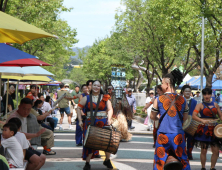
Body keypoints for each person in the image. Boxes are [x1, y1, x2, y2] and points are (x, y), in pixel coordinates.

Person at [151, 69, 190, 170]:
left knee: (159, 161)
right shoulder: (183, 100)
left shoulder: (158, 99)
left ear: (167, 84)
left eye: (162, 83)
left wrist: (158, 118)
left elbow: (152, 116)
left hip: (163, 135)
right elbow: (185, 118)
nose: (161, 85)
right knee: (183, 160)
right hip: (178, 134)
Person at [77, 80, 113, 170]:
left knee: (106, 142)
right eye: (94, 85)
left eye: (98, 85)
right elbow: (78, 108)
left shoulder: (105, 98)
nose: (96, 87)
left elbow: (110, 109)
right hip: (90, 123)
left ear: (100, 87)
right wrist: (80, 120)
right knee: (90, 143)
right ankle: (87, 163)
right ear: (91, 86)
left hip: (103, 122)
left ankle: (107, 160)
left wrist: (109, 119)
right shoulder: (86, 98)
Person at [192, 88, 222, 170]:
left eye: (208, 94)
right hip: (204, 129)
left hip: (215, 130)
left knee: (216, 151)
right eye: (205, 94)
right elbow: (194, 115)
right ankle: (203, 167)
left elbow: (221, 116)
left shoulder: (215, 104)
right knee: (204, 150)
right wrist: (201, 120)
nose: (207, 96)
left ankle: (212, 167)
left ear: (211, 94)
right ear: (203, 95)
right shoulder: (200, 105)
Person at [181, 85, 197, 160]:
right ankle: (183, 153)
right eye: (186, 91)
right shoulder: (179, 101)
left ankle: (189, 153)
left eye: (189, 91)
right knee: (182, 139)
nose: (188, 92)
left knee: (191, 140)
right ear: (183, 92)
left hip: (191, 124)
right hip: (182, 124)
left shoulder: (194, 102)